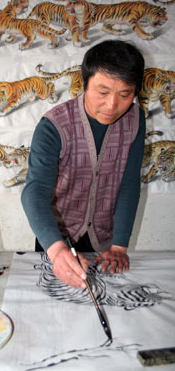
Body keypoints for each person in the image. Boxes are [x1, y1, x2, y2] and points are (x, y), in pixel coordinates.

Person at [21, 39, 146, 289]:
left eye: (124, 94)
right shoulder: (53, 126)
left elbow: (129, 183)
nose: (112, 106)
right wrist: (57, 251)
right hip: (55, 237)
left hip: (104, 242)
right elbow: (35, 192)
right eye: (102, 92)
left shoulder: (134, 119)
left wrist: (119, 246)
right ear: (83, 84)